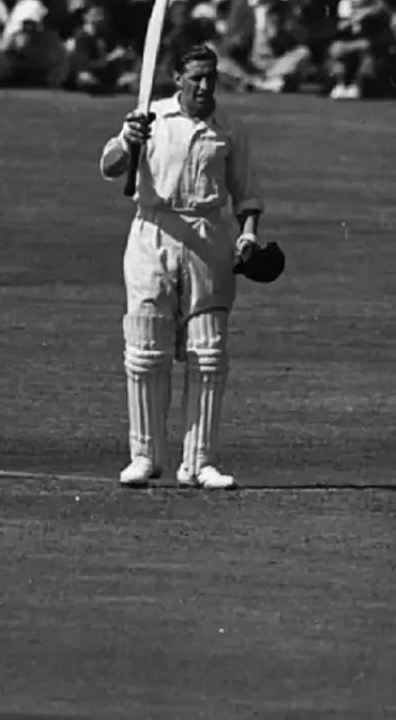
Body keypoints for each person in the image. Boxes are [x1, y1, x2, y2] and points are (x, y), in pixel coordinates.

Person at [98, 43, 264, 490]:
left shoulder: (229, 128)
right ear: (177, 79)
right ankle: (145, 457)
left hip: (210, 238)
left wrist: (247, 235)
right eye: (196, 78)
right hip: (153, 231)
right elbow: (110, 168)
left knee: (208, 355)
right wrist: (126, 141)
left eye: (212, 77)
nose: (206, 86)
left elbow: (247, 195)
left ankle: (199, 462)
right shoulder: (149, 119)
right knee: (146, 352)